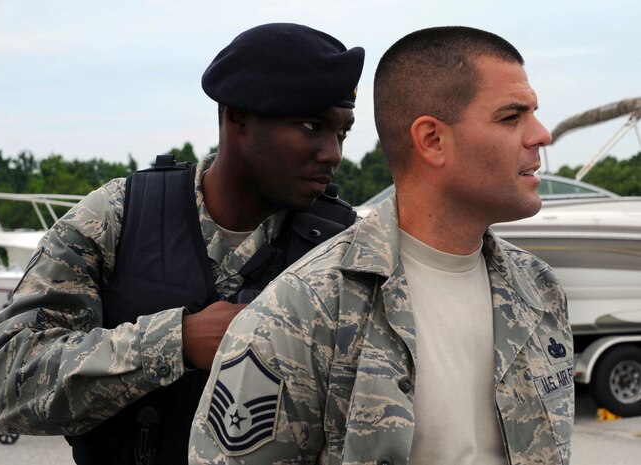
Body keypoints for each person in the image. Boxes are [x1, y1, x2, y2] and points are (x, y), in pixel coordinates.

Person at [0, 23, 364, 465]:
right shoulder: (117, 218)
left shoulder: (345, 250)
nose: (333, 153)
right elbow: (4, 382)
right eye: (312, 126)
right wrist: (175, 342)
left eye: (342, 133)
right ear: (237, 116)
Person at [189, 26, 574, 465]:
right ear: (432, 140)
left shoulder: (539, 291)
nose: (541, 134)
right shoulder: (304, 310)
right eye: (511, 117)